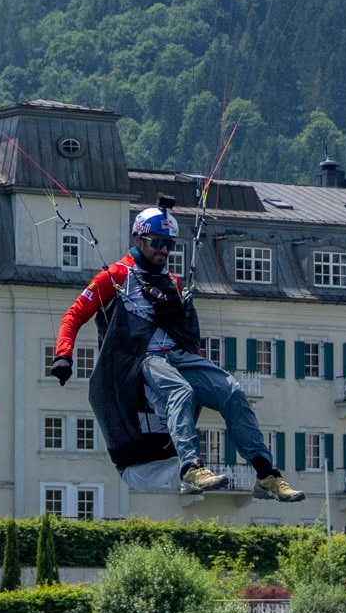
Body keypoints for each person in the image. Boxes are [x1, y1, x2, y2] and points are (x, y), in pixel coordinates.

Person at [48, 205, 298, 499]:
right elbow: (74, 314)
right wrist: (63, 355)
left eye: (169, 244)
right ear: (139, 239)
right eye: (158, 242)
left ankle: (266, 474)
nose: (164, 250)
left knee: (232, 391)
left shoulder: (173, 282)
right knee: (181, 391)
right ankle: (191, 469)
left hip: (178, 357)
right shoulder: (115, 276)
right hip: (142, 359)